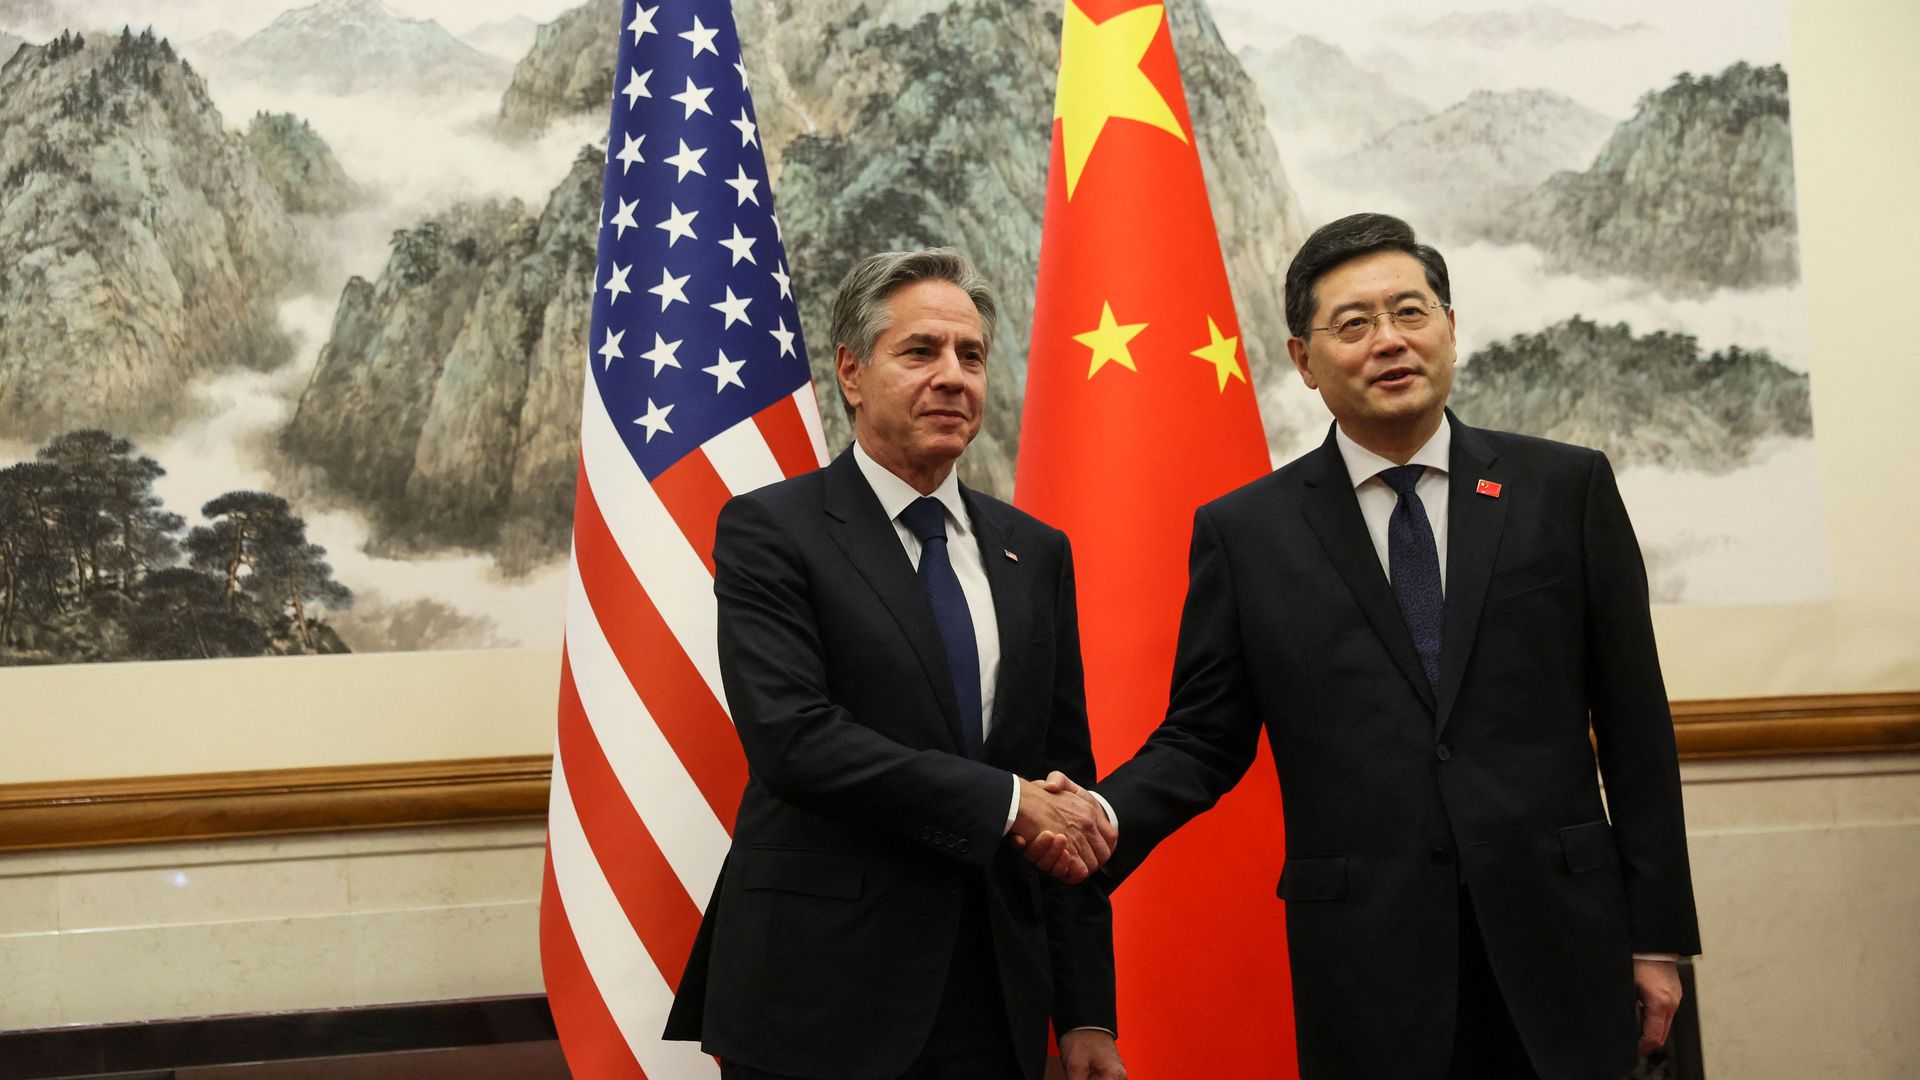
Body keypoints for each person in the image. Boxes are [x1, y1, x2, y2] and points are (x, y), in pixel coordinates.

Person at [1081, 213, 1701, 1080]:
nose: (1390, 342)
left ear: (1450, 327)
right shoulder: (1248, 532)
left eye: (1411, 313)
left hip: (1564, 940)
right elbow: (1203, 738)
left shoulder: (1565, 489)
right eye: (1354, 324)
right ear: (1303, 361)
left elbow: (1636, 727)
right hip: (1370, 963)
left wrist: (1659, 936)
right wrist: (1098, 822)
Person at [664, 248, 1126, 1080]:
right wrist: (1004, 802)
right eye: (921, 352)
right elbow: (793, 740)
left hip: (994, 995)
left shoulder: (1035, 552)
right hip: (819, 994)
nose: (953, 377)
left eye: (972, 355)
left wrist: (1087, 1008)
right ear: (852, 372)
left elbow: (1064, 784)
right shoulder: (774, 531)